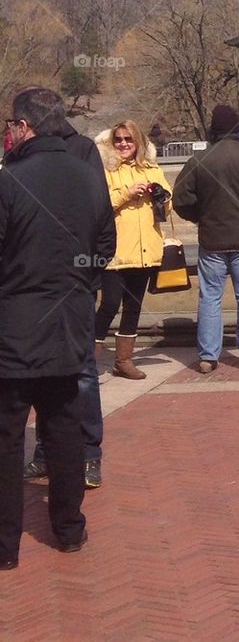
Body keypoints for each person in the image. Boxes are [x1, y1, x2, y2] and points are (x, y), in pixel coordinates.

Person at [0, 87, 115, 568]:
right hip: (69, 321)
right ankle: (69, 529)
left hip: (15, 327)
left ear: (24, 127)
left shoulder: (9, 180)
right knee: (65, 429)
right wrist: (76, 283)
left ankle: (6, 548)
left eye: (10, 125)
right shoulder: (89, 175)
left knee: (8, 437)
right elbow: (105, 247)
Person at [20, 92, 111, 489]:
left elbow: (102, 226)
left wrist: (85, 274)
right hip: (31, 292)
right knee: (40, 373)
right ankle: (44, 451)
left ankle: (89, 453)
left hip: (74, 289)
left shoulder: (83, 150)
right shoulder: (19, 157)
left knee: (83, 371)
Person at [173, 104, 239, 373]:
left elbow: (181, 200)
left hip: (212, 239)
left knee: (210, 298)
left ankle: (208, 356)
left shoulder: (198, 161)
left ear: (213, 129)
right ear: (237, 128)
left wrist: (200, 217)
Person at [93, 120, 170, 380]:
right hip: (115, 252)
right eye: (118, 139)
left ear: (138, 142)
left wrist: (160, 196)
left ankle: (123, 360)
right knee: (109, 304)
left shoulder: (152, 168)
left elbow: (167, 209)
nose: (123, 144)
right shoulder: (105, 170)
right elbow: (99, 205)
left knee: (133, 306)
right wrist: (127, 193)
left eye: (129, 139)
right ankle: (88, 359)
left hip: (145, 250)